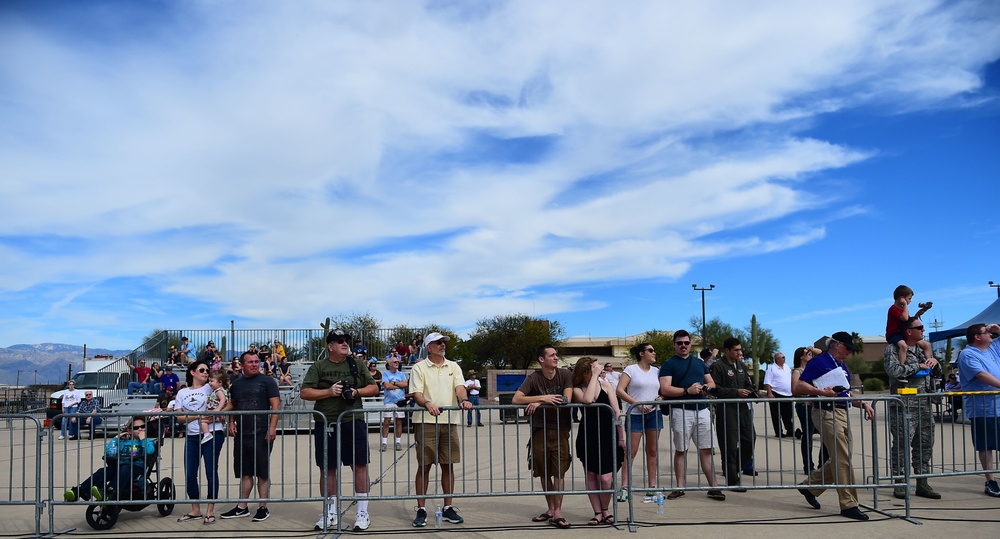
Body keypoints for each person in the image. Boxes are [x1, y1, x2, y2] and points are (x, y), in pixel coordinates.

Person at [300, 329, 380, 531]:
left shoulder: (357, 364)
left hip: (353, 421)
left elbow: (374, 388)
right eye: (340, 341)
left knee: (359, 466)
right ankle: (330, 513)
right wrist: (329, 391)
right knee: (328, 468)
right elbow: (305, 392)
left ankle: (362, 513)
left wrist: (355, 391)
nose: (345, 343)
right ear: (330, 346)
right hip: (326, 423)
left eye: (347, 340)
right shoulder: (319, 366)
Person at [794, 331, 876, 521]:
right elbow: (798, 387)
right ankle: (848, 504)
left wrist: (862, 404)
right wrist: (820, 392)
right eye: (847, 348)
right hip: (825, 412)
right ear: (837, 344)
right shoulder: (819, 362)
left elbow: (846, 393)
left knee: (842, 457)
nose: (849, 353)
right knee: (842, 458)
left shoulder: (841, 366)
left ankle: (810, 486)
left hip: (841, 412)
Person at [410, 332, 473, 527]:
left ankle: (448, 507)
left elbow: (460, 387)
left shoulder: (453, 366)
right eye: (438, 343)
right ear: (429, 347)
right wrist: (427, 403)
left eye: (443, 342)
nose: (442, 345)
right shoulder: (419, 367)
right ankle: (421, 509)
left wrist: (463, 400)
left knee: (448, 464)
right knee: (425, 466)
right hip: (425, 421)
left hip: (449, 421)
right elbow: (417, 393)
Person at [658, 330, 725, 501]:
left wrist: (705, 388)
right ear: (674, 344)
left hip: (702, 410)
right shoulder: (668, 364)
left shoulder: (699, 363)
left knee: (706, 449)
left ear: (690, 344)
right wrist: (686, 391)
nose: (683, 346)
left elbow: (711, 382)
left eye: (686, 343)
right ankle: (680, 487)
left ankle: (714, 487)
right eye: (679, 343)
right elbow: (665, 388)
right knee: (681, 449)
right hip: (681, 411)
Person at [512, 344, 574, 529]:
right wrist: (540, 399)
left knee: (559, 472)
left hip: (561, 429)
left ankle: (558, 512)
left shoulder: (565, 375)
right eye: (552, 355)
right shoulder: (534, 378)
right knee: (544, 472)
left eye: (556, 355)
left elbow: (566, 399)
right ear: (542, 359)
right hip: (540, 430)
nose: (556, 358)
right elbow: (516, 399)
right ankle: (551, 509)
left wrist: (541, 401)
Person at [883, 318, 941, 499]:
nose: (923, 330)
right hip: (903, 406)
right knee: (901, 445)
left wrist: (935, 364)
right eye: (920, 328)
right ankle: (900, 482)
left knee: (925, 444)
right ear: (909, 331)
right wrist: (918, 366)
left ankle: (922, 482)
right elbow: (892, 370)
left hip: (924, 405)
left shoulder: (923, 351)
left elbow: (938, 373)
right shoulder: (894, 349)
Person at [220, 352, 280, 522]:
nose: (254, 364)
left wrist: (272, 428)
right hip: (242, 433)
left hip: (261, 433)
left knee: (262, 472)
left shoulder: (267, 381)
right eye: (250, 362)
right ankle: (242, 507)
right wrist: (231, 421)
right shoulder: (237, 384)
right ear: (243, 365)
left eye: (256, 361)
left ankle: (263, 507)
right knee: (245, 472)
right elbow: (235, 404)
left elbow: (276, 405)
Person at [174, 359, 228, 525]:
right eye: (202, 370)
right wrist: (198, 416)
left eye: (207, 370)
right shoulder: (182, 393)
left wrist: (216, 414)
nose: (206, 373)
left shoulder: (211, 386)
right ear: (193, 372)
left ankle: (210, 509)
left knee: (211, 471)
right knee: (190, 474)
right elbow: (180, 418)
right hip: (192, 436)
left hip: (213, 433)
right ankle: (195, 509)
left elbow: (229, 402)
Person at [573, 357, 624, 526]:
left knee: (606, 477)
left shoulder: (607, 385)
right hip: (588, 435)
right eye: (593, 368)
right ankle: (597, 512)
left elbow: (617, 412)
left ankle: (606, 509)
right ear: (585, 371)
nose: (598, 369)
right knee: (591, 475)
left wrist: (621, 436)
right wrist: (594, 376)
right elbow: (588, 400)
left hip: (608, 434)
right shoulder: (577, 389)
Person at [64, 416, 156, 502]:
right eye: (136, 428)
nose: (140, 429)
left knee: (126, 468)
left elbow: (149, 451)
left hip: (136, 468)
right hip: (119, 466)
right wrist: (116, 438)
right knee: (102, 471)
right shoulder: (123, 442)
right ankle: (78, 491)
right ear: (130, 431)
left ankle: (110, 492)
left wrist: (143, 439)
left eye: (143, 426)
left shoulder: (147, 441)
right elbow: (108, 451)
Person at [615, 342, 663, 503]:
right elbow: (620, 390)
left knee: (653, 451)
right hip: (635, 414)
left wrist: (661, 398)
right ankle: (624, 487)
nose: (654, 353)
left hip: (654, 414)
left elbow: (661, 390)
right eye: (651, 350)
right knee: (631, 451)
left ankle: (652, 487)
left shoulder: (657, 371)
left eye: (653, 350)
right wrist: (637, 404)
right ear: (642, 353)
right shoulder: (631, 370)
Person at [956, 322, 1000, 497]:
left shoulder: (992, 349)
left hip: (998, 406)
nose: (991, 335)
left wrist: (998, 329)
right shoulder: (967, 354)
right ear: (977, 337)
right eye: (987, 332)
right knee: (986, 446)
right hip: (983, 408)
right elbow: (981, 374)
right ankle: (990, 481)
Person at [710, 337, 757, 492]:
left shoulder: (741, 365)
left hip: (743, 408)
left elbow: (747, 384)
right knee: (729, 444)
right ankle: (732, 479)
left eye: (740, 349)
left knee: (750, 438)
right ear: (727, 350)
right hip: (727, 409)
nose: (739, 352)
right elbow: (715, 389)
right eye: (736, 350)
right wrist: (735, 392)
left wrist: (753, 393)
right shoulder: (718, 366)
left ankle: (734, 468)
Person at [791, 346, 828, 474]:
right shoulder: (797, 371)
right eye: (807, 354)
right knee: (808, 434)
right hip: (805, 405)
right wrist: (810, 390)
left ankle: (822, 464)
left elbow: (823, 354)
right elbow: (794, 390)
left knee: (825, 434)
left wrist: (812, 349)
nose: (810, 355)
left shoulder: (812, 369)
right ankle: (808, 466)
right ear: (800, 356)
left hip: (817, 405)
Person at [885, 285, 934, 365]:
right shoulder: (893, 309)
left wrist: (918, 314)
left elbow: (908, 322)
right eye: (909, 298)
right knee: (903, 346)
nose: (910, 301)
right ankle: (902, 365)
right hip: (894, 334)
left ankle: (929, 362)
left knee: (927, 344)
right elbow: (905, 319)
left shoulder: (903, 310)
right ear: (901, 298)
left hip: (902, 333)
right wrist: (905, 305)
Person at [764, 351, 795, 438]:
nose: (784, 358)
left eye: (784, 357)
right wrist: (769, 393)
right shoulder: (771, 369)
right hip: (776, 393)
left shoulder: (787, 367)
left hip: (788, 394)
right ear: (777, 359)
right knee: (776, 415)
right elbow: (767, 382)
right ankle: (778, 432)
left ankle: (790, 430)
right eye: (783, 357)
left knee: (788, 414)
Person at [380, 356, 408, 452]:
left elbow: (405, 384)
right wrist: (398, 385)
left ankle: (398, 442)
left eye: (397, 362)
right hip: (389, 401)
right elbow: (387, 386)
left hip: (400, 401)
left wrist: (394, 383)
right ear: (390, 364)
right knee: (387, 421)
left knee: (399, 421)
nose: (397, 363)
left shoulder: (401, 374)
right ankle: (384, 442)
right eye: (395, 362)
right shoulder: (385, 374)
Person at [201, 370, 230, 445]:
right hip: (214, 412)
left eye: (212, 381)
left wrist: (218, 409)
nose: (209, 383)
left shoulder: (219, 391)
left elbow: (223, 399)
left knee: (202, 420)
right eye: (209, 381)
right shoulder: (217, 390)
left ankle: (206, 434)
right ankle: (206, 433)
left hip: (216, 412)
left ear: (220, 382)